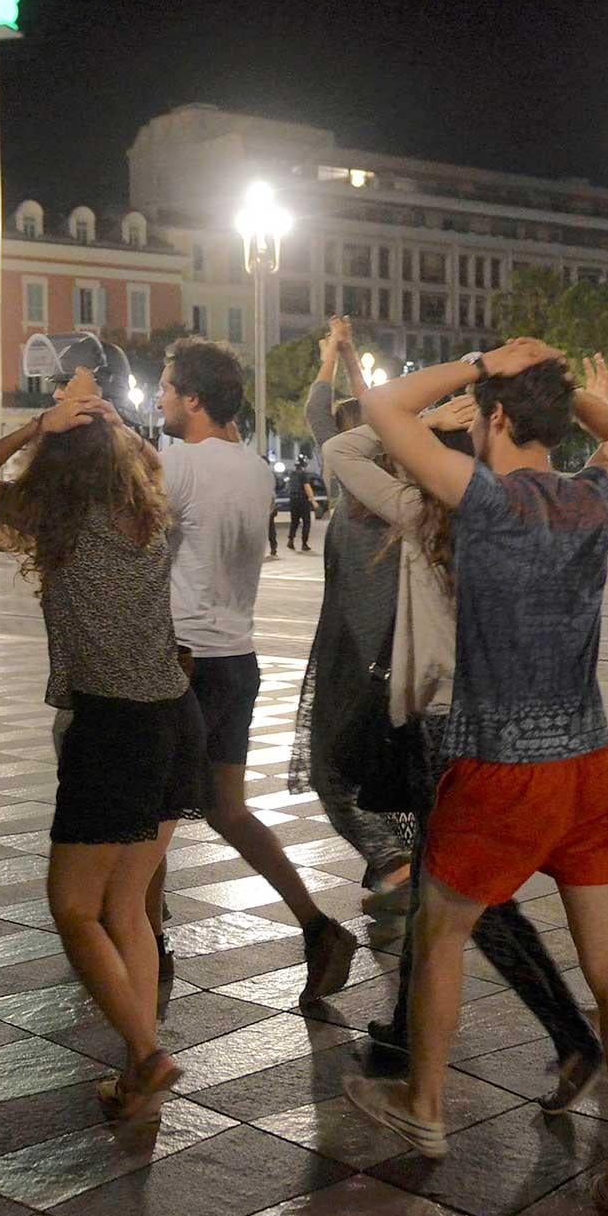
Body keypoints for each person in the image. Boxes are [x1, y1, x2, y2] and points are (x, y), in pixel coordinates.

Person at [342, 338, 608, 1216]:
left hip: (500, 765)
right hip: (589, 765)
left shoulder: (482, 500)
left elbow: (382, 407)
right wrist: (574, 394)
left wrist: (485, 358)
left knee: (441, 933)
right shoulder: (598, 495)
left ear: (493, 421)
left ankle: (426, 1107)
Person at [323, 374, 604, 1110]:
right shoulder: (511, 510)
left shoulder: (424, 510)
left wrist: (421, 411)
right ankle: (405, 1030)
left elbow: (344, 447)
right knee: (439, 887)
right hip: (528, 725)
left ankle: (566, 1035)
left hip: (449, 723)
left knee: (464, 897)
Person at [0, 371, 202, 1120]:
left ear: (58, 463)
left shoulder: (56, 517)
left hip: (114, 726)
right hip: (176, 718)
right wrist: (102, 420)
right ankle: (137, 1070)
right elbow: (142, 459)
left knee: (71, 906)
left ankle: (152, 1056)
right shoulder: (149, 512)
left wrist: (40, 426)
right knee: (127, 905)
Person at [150, 337, 360, 1002]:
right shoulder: (253, 467)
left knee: (147, 817)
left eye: (164, 386)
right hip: (236, 658)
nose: (156, 397)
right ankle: (318, 927)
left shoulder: (174, 464)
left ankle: (144, 944)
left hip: (182, 660)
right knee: (229, 810)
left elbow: (135, 548)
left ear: (192, 399)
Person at [291, 318, 414, 907]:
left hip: (357, 660)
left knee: (330, 768)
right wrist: (347, 359)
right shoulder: (402, 497)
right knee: (388, 763)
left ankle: (392, 864)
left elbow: (328, 415)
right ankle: (396, 868)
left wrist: (332, 356)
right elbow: (359, 416)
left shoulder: (365, 499)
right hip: (392, 658)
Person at [286, 460, 316, 552]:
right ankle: (304, 543)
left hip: (293, 500)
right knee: (306, 522)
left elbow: (287, 487)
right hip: (302, 500)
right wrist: (313, 500)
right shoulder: (303, 474)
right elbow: (307, 487)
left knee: (294, 521)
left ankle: (291, 540)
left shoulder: (292, 474)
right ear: (304, 465)